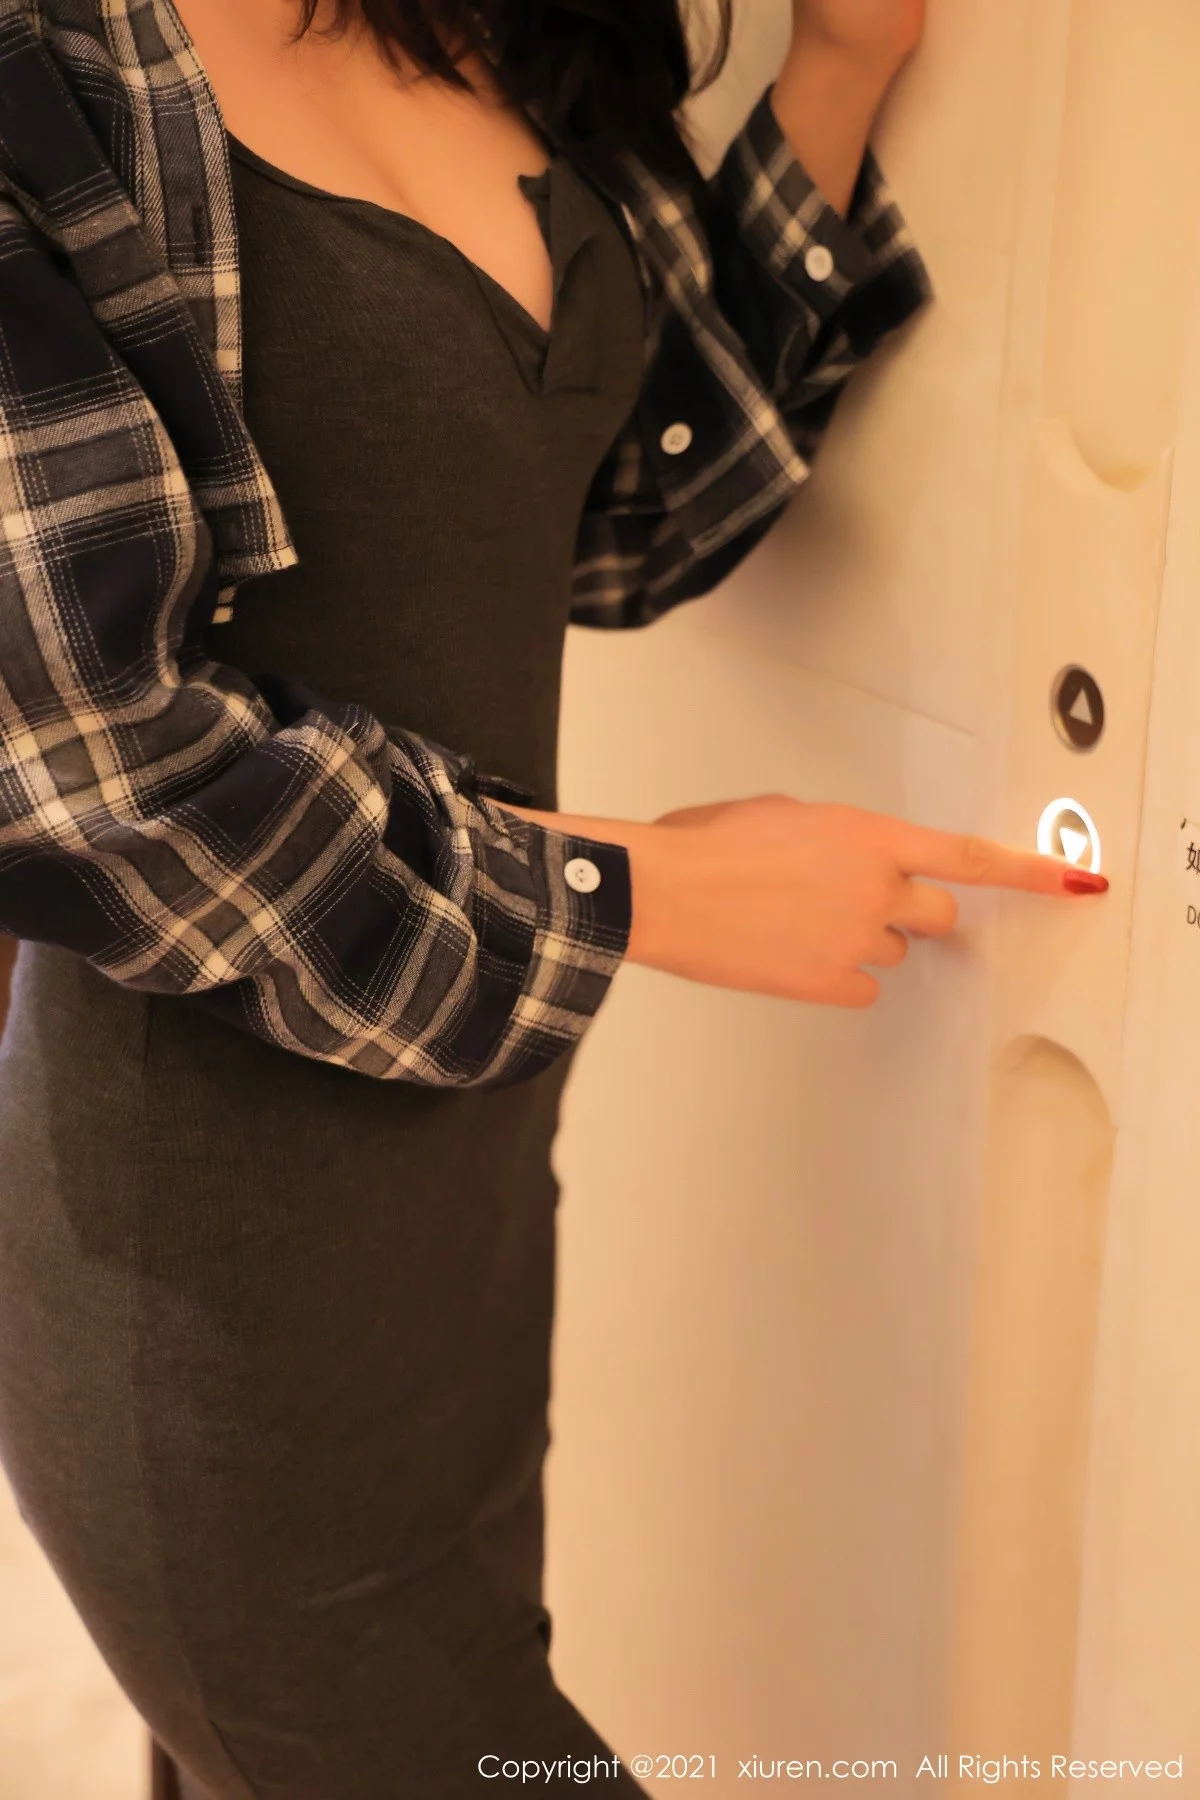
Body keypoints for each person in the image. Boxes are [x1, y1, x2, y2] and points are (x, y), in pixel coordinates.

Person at [0, 0, 1106, 1795]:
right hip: (203, 1287)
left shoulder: (489, 27)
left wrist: (839, 72)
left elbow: (606, 512)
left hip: (466, 1217)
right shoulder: (50, 73)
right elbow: (95, 773)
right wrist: (634, 890)